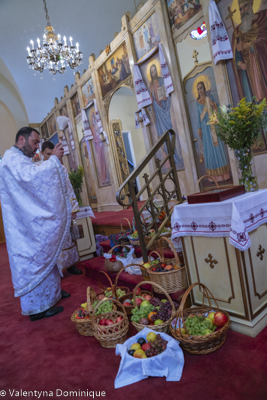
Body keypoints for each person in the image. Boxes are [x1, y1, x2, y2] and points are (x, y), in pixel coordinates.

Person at [0, 127, 71, 321]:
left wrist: (52, 162)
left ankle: (52, 295)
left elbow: (33, 174)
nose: (37, 146)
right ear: (21, 140)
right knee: (35, 257)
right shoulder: (10, 160)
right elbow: (32, 178)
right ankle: (37, 309)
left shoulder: (18, 159)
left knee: (45, 250)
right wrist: (54, 160)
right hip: (24, 230)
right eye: (35, 142)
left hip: (27, 223)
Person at [41, 141, 82, 275]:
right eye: (48, 154)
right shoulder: (39, 169)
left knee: (68, 238)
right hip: (49, 213)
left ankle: (71, 264)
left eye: (52, 154)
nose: (51, 156)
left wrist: (73, 208)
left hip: (63, 210)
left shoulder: (61, 168)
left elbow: (69, 189)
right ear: (42, 153)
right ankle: (56, 271)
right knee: (53, 243)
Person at [231, 0, 267, 104]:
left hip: (263, 66)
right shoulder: (237, 32)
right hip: (249, 73)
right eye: (240, 9)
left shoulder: (263, 18)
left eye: (245, 6)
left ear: (251, 3)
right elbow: (236, 57)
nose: (243, 11)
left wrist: (248, 45)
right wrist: (239, 64)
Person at [148, 63, 183, 169]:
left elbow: (168, 94)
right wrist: (150, 93)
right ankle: (169, 161)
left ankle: (175, 158)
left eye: (155, 71)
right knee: (163, 138)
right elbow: (150, 102)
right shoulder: (150, 85)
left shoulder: (162, 81)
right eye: (152, 71)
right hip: (158, 113)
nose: (154, 73)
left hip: (164, 110)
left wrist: (165, 98)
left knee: (169, 134)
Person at [196, 81, 230, 182]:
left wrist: (213, 104)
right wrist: (199, 128)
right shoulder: (197, 103)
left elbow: (217, 111)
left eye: (201, 88)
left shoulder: (210, 98)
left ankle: (224, 176)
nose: (200, 90)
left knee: (217, 148)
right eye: (198, 89)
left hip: (213, 126)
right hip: (205, 129)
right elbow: (199, 117)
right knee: (209, 150)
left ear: (204, 88)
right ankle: (213, 178)